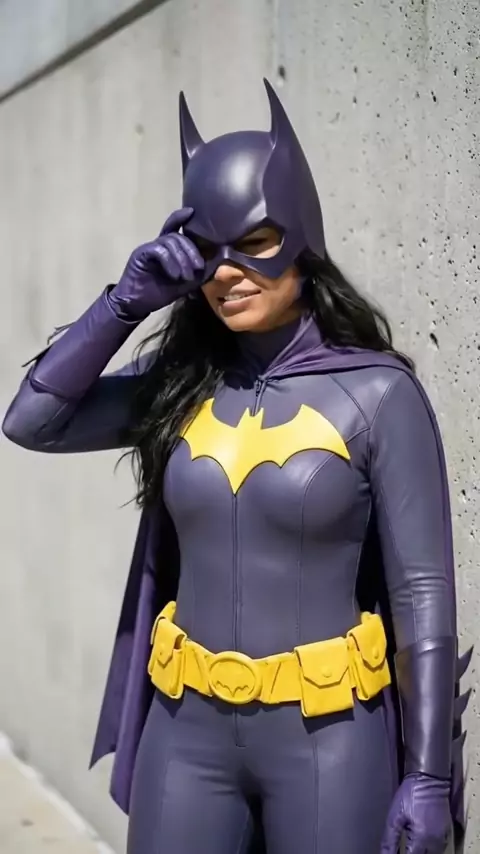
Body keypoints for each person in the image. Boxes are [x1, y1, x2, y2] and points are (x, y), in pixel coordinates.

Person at [2, 79, 469, 854]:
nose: (226, 273)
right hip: (187, 729)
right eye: (206, 252)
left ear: (301, 239)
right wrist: (124, 303)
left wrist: (426, 774)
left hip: (327, 733)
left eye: (254, 243)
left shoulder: (378, 394)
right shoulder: (184, 385)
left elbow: (421, 591)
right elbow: (31, 422)